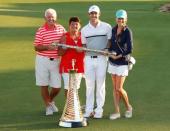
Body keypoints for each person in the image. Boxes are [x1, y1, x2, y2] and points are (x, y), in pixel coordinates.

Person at [81, 5, 112, 118]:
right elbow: (84, 44)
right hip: (89, 59)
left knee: (100, 86)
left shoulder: (106, 27)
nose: (93, 15)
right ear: (89, 14)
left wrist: (106, 49)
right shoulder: (84, 29)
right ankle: (89, 111)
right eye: (91, 13)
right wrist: (83, 48)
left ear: (99, 14)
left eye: (95, 13)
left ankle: (99, 111)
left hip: (102, 59)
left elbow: (109, 41)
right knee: (89, 85)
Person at [33, 8, 66, 116]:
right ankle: (48, 106)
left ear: (55, 18)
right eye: (48, 17)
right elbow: (36, 47)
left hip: (56, 61)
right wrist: (47, 47)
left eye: (52, 16)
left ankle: (50, 101)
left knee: (57, 87)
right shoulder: (41, 30)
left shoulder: (61, 29)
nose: (50, 18)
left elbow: (67, 39)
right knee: (44, 85)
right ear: (45, 18)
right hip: (42, 60)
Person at [107, 9, 133, 120]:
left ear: (125, 19)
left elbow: (130, 48)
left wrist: (119, 55)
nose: (120, 20)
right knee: (114, 88)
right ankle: (117, 111)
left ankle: (128, 108)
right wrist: (109, 52)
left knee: (119, 88)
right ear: (116, 19)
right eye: (119, 18)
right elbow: (111, 44)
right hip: (112, 62)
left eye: (122, 18)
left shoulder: (128, 31)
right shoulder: (113, 30)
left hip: (122, 62)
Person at [59, 16, 84, 97]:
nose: (74, 26)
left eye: (76, 24)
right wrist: (64, 48)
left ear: (80, 26)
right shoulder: (64, 37)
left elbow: (87, 50)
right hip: (67, 66)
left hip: (79, 66)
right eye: (72, 24)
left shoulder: (83, 36)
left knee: (76, 87)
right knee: (68, 88)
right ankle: (69, 108)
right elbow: (59, 53)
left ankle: (74, 107)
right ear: (69, 25)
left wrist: (83, 49)